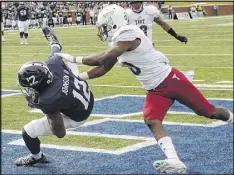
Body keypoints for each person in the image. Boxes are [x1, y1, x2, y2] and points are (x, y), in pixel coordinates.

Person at [56, 5, 233, 174]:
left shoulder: (128, 33)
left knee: (209, 112)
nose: (103, 30)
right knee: (152, 121)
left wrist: (74, 58)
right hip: (155, 90)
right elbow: (103, 68)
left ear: (114, 21)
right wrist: (78, 77)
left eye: (104, 26)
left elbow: (103, 58)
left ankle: (231, 118)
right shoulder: (120, 41)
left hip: (171, 80)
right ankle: (174, 160)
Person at [15, 26, 94, 166]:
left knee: (28, 131)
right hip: (86, 97)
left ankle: (36, 156)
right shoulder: (53, 62)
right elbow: (56, 46)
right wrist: (51, 38)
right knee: (65, 63)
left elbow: (60, 133)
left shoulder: (48, 100)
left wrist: (38, 104)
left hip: (78, 116)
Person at [126, 1, 194, 82]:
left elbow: (163, 24)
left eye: (137, 2)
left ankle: (181, 77)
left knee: (156, 67)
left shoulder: (149, 11)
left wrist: (177, 36)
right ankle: (180, 77)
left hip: (148, 46)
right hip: (134, 48)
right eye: (133, 3)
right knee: (150, 69)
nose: (135, 5)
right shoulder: (126, 14)